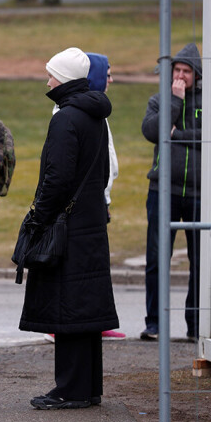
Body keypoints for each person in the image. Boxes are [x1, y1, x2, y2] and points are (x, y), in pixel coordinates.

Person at [19, 47, 119, 410]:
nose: (48, 81)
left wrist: (37, 216)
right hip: (91, 221)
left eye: (52, 75)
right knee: (87, 306)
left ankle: (70, 389)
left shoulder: (65, 118)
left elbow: (56, 177)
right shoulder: (95, 115)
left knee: (69, 306)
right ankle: (88, 386)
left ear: (65, 78)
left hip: (67, 225)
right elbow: (104, 170)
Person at [140, 42, 202, 342]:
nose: (180, 76)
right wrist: (174, 103)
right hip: (163, 191)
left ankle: (197, 324)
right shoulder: (160, 100)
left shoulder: (209, 102)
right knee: (156, 258)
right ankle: (154, 323)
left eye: (186, 71)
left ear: (196, 74)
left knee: (201, 260)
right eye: (176, 70)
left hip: (199, 194)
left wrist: (178, 134)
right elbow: (152, 131)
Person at [86, 52, 125, 340]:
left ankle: (96, 318)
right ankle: (73, 323)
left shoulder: (100, 108)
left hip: (101, 200)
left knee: (98, 263)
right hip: (90, 201)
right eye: (107, 73)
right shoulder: (82, 110)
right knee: (85, 263)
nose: (111, 79)